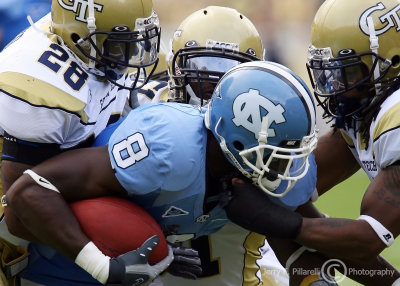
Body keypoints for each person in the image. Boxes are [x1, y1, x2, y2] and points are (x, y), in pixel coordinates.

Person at [2, 61, 318, 285]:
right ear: (238, 139)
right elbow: (29, 189)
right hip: (53, 264)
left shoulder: (241, 170)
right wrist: (102, 267)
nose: (288, 166)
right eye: (279, 152)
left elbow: (328, 239)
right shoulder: (168, 148)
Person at [225, 0, 400, 285]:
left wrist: (276, 221)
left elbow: (367, 239)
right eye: (330, 72)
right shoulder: (367, 111)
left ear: (392, 61)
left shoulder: (395, 117)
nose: (336, 87)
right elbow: (286, 185)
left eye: (348, 72)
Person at [0, 0, 171, 284]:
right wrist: (106, 261)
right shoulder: (39, 88)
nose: (129, 55)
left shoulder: (86, 46)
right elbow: (22, 210)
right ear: (81, 34)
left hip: (57, 186)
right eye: (117, 44)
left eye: (131, 41)